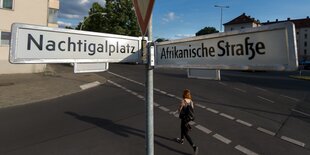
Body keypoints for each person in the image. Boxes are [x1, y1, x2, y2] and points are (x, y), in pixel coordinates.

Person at [176, 89, 198, 155]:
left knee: (186, 134)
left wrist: (180, 106)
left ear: (184, 94)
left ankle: (194, 146)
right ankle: (181, 140)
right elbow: (192, 109)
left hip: (184, 118)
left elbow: (179, 110)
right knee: (182, 127)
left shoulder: (183, 101)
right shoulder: (191, 101)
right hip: (189, 118)